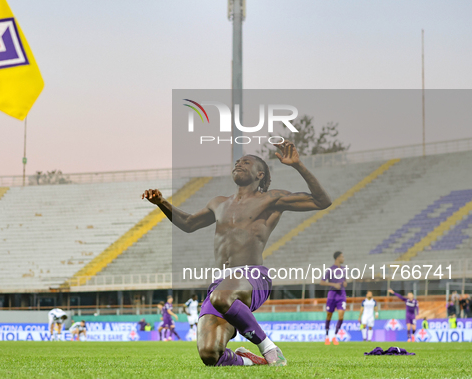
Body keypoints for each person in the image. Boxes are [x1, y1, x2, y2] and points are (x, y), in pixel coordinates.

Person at [142, 140, 331, 366]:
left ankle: (269, 349)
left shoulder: (272, 198)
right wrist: (161, 202)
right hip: (220, 283)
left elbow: (322, 201)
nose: (239, 163)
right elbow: (188, 224)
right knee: (210, 355)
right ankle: (256, 362)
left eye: (246, 162)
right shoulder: (218, 203)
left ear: (260, 174)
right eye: (237, 162)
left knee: (222, 296)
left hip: (252, 277)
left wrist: (298, 165)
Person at [319, 252, 348, 345]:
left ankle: (335, 336)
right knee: (329, 315)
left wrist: (344, 283)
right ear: (337, 258)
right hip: (332, 294)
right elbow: (322, 282)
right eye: (342, 256)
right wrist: (333, 284)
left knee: (341, 315)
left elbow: (345, 281)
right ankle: (327, 336)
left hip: (341, 294)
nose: (343, 258)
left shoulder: (344, 269)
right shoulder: (330, 270)